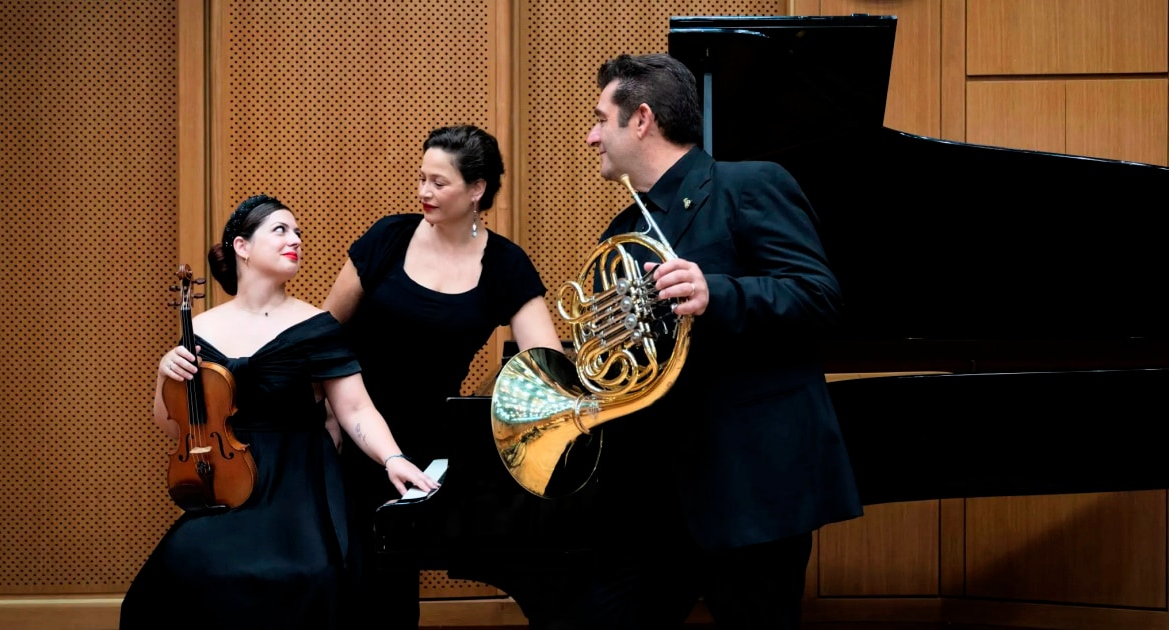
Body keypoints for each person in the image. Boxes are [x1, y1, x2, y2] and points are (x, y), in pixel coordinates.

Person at [572, 53, 864, 629]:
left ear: (642, 119)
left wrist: (719, 293)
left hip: (750, 492)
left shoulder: (748, 185)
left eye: (601, 119)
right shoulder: (622, 233)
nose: (591, 136)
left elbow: (819, 296)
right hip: (651, 500)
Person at [120, 194, 439, 630]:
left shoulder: (317, 327)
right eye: (280, 230)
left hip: (300, 480)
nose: (296, 240)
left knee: (311, 577)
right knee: (175, 572)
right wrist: (164, 374)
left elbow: (356, 409)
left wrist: (393, 458)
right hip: (228, 483)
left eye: (298, 232)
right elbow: (174, 425)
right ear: (242, 246)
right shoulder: (201, 329)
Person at [322, 124, 562, 628]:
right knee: (335, 577)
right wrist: (326, 413)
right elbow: (325, 334)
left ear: (477, 189)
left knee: (391, 589)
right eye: (421, 178)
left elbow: (545, 365)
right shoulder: (388, 238)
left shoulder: (506, 265)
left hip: (425, 446)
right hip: (349, 426)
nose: (423, 192)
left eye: (438, 182)